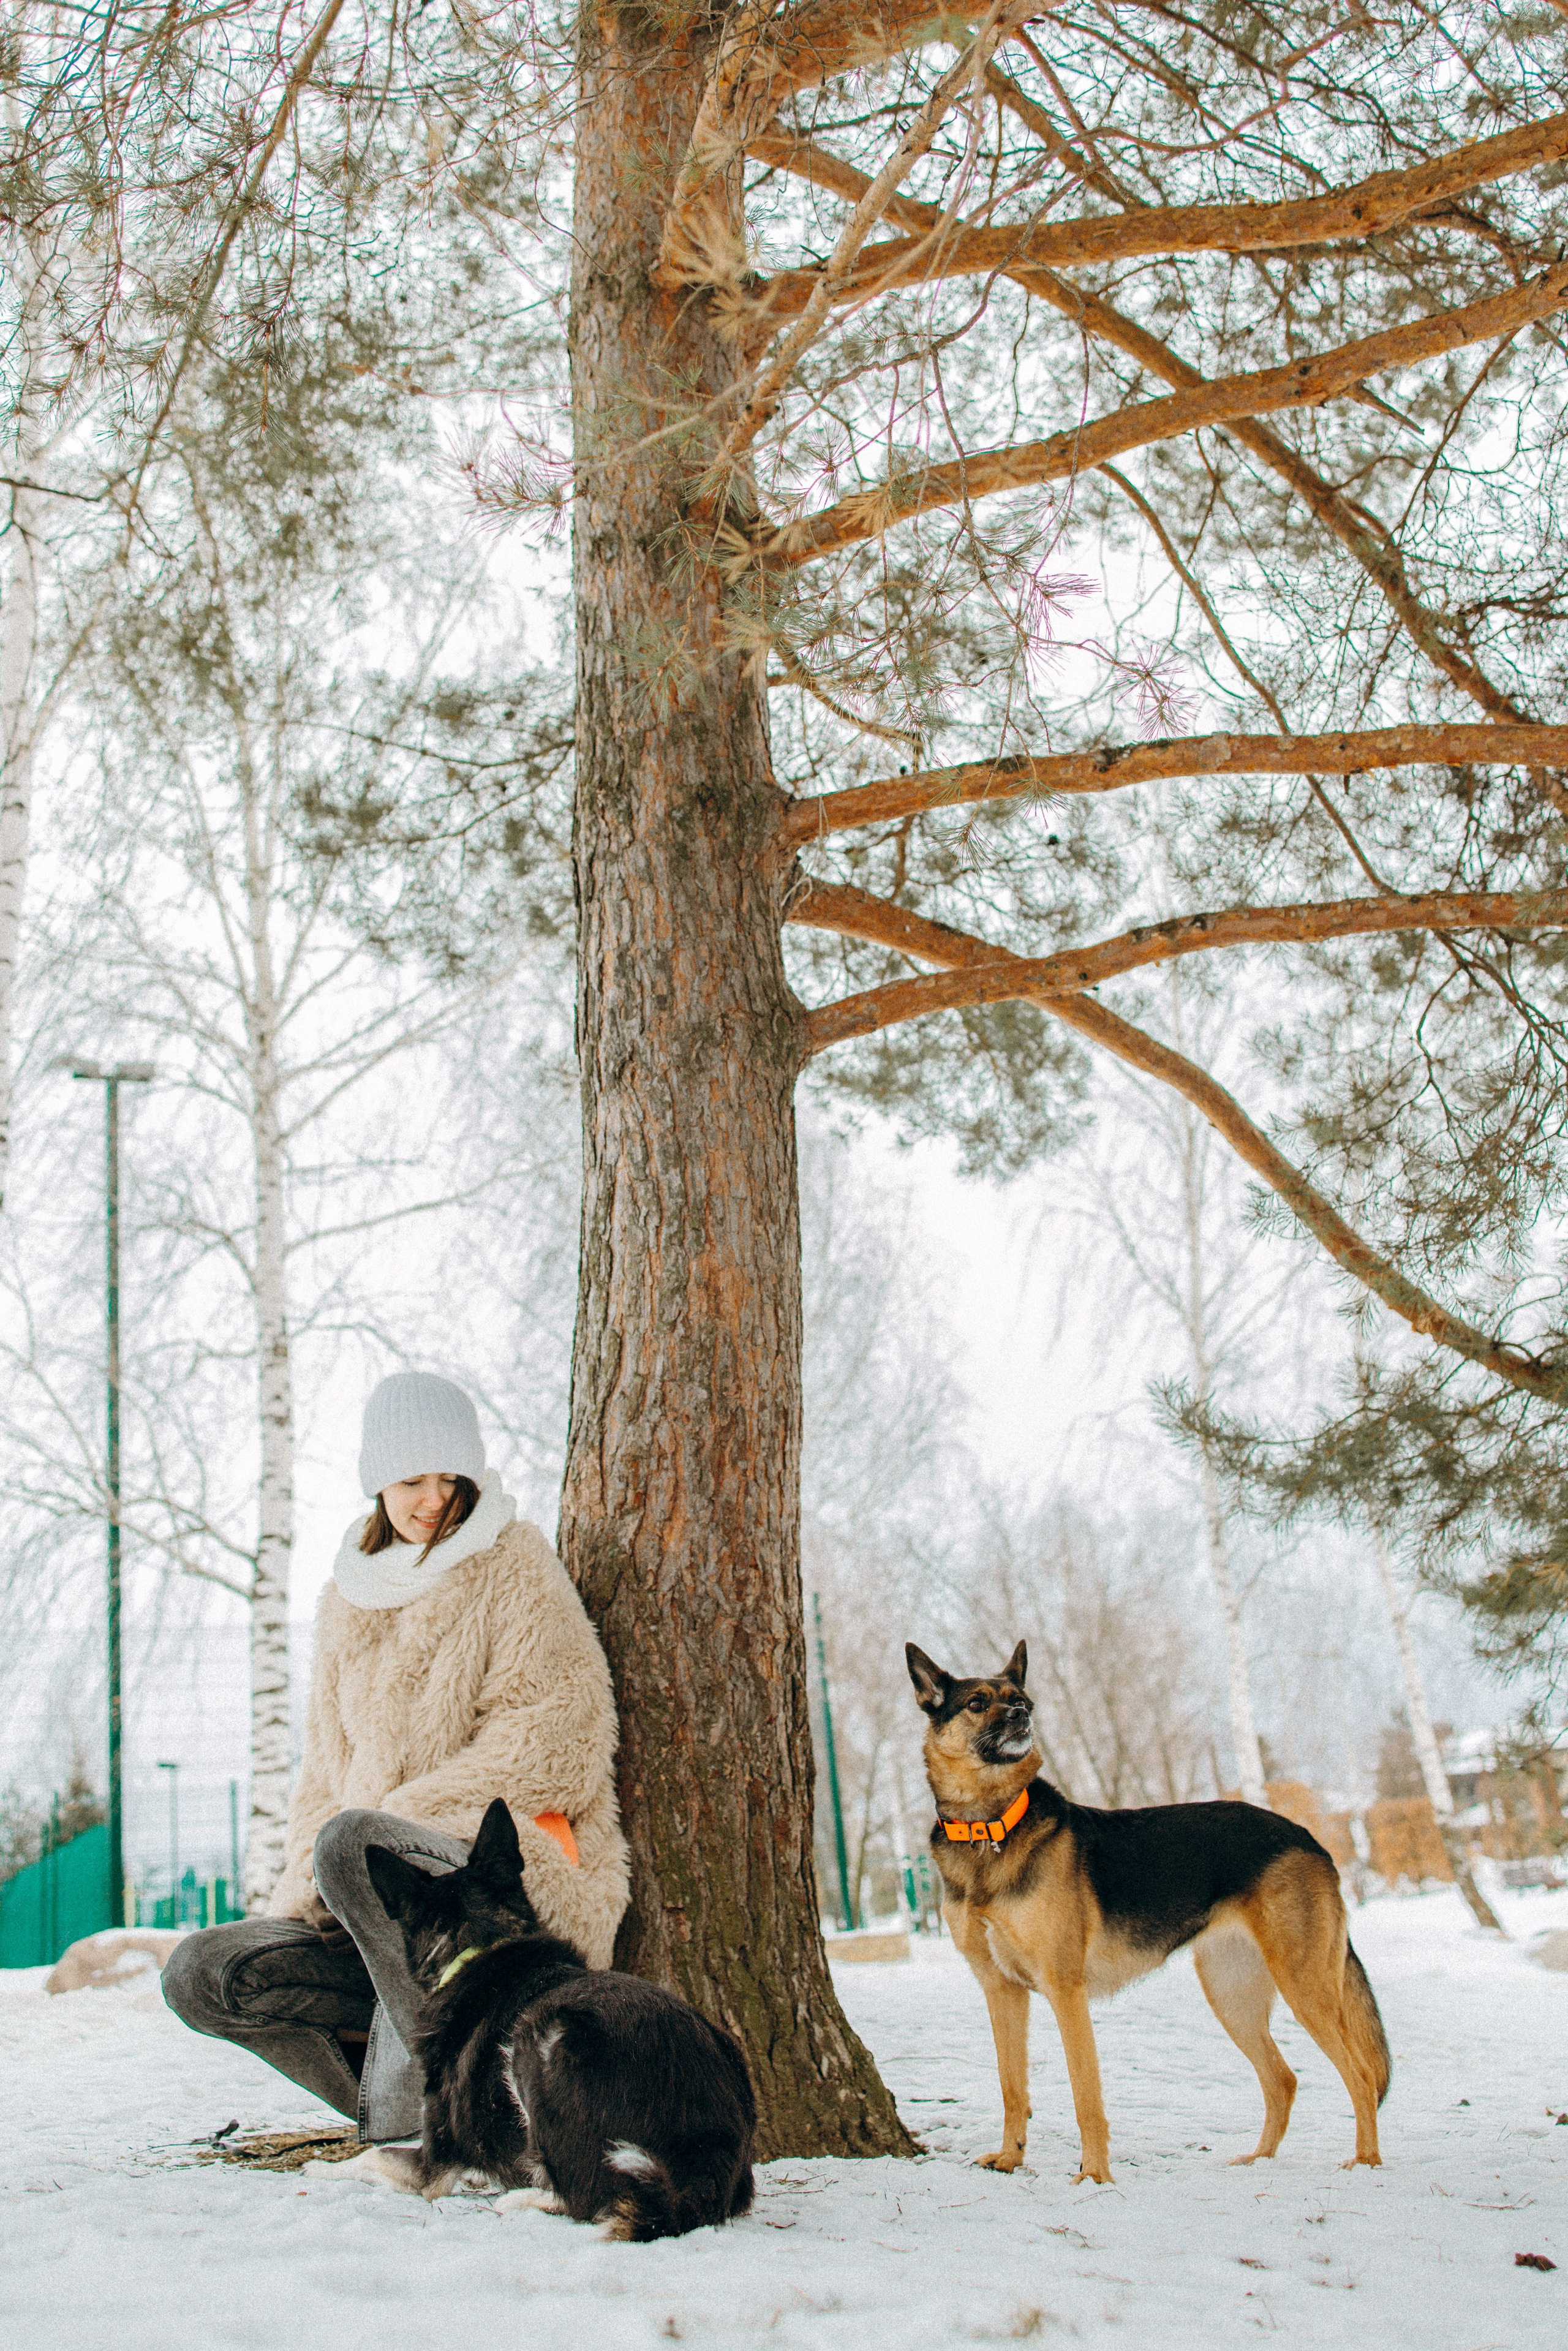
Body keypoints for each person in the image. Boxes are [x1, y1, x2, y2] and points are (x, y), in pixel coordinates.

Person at [163, 1372, 630, 2143]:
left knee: (354, 1838)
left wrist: (388, 1824)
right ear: (377, 1480)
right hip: (374, 1902)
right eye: (413, 1479)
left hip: (501, 1890)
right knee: (204, 1971)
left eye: (453, 1479)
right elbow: (323, 1776)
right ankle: (454, 2107)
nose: (435, 1499)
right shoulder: (346, 1599)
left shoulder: (513, 1564)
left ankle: (421, 2127)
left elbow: (558, 1745)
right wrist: (302, 1900)